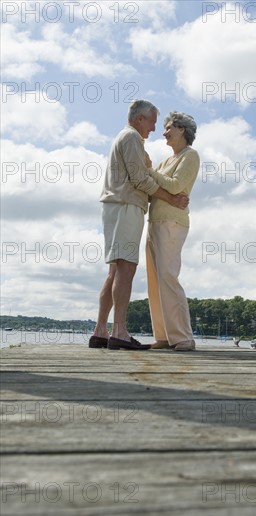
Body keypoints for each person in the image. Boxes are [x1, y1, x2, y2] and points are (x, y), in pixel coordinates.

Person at [89, 100, 189, 350]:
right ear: (140, 118)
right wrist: (171, 198)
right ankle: (120, 332)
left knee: (114, 271)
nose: (154, 129)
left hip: (114, 206)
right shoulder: (132, 138)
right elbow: (139, 179)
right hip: (126, 206)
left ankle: (100, 331)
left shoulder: (123, 138)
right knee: (126, 269)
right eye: (153, 122)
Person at [145, 112, 200, 351]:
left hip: (172, 223)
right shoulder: (165, 162)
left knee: (168, 276)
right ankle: (165, 337)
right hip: (154, 221)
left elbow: (176, 186)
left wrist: (149, 171)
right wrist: (152, 174)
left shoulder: (190, 156)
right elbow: (153, 188)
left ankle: (183, 337)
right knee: (155, 281)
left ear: (181, 130)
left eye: (169, 128)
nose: (164, 132)